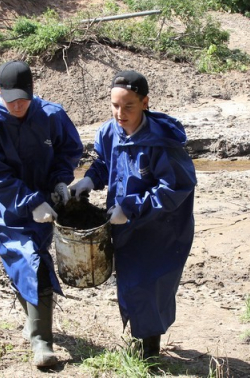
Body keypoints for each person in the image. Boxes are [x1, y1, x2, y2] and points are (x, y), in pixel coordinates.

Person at [0, 60, 83, 368]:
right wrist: (29, 203)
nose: (18, 105)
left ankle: (36, 323)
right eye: (10, 98)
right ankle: (42, 342)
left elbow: (68, 150)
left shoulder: (50, 115)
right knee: (28, 261)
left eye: (23, 98)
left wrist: (59, 179)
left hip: (45, 200)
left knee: (35, 259)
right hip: (8, 208)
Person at [69, 70, 197, 360]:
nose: (120, 113)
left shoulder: (162, 142)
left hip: (162, 228)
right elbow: (104, 162)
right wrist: (89, 180)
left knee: (151, 285)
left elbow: (176, 187)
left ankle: (148, 354)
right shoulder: (108, 132)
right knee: (129, 282)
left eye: (128, 106)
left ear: (145, 103)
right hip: (124, 225)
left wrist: (132, 208)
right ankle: (140, 342)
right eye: (115, 106)